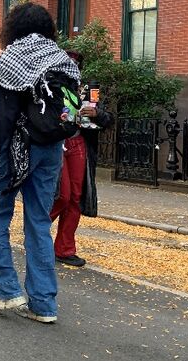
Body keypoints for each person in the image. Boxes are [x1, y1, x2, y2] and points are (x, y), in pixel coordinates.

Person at [0, 3, 80, 324]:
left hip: (18, 148)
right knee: (38, 222)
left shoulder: (14, 56)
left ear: (14, 27)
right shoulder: (62, 58)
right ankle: (44, 304)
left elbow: (4, 114)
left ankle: (7, 291)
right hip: (53, 148)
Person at [50, 54, 112, 267]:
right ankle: (36, 234)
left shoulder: (87, 89)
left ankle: (64, 249)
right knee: (62, 195)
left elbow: (107, 119)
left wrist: (95, 112)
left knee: (76, 196)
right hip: (56, 144)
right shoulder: (50, 83)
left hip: (78, 143)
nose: (71, 66)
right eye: (68, 62)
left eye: (75, 64)